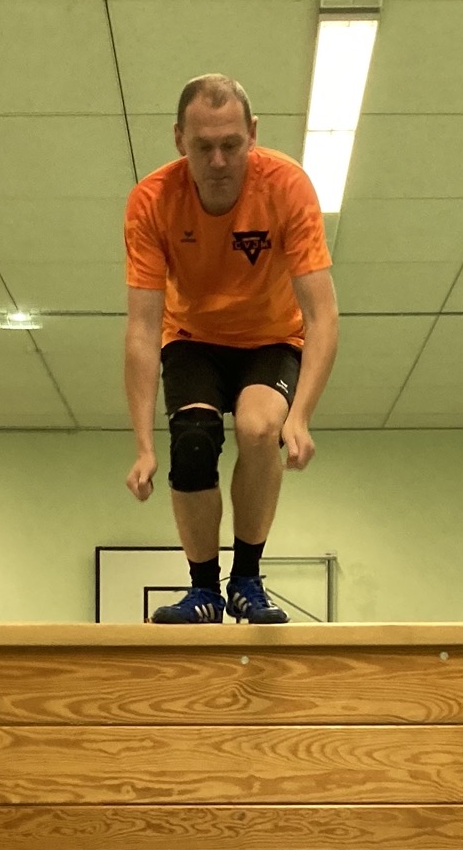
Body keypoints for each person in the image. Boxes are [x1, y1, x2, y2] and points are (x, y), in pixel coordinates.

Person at [122, 74, 340, 624]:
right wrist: (144, 446)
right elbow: (142, 329)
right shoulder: (152, 201)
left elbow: (322, 315)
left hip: (272, 336)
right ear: (179, 139)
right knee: (193, 441)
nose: (218, 161)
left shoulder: (287, 187)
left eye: (231, 145)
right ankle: (203, 590)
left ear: (253, 134)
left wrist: (302, 415)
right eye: (203, 147)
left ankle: (246, 578)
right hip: (192, 337)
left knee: (260, 428)